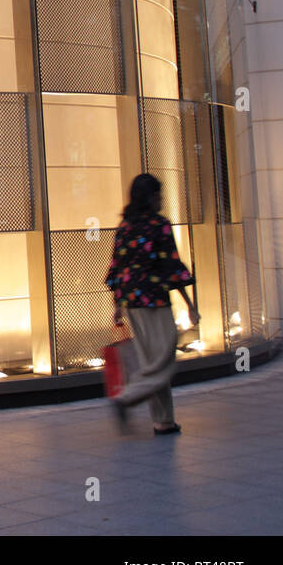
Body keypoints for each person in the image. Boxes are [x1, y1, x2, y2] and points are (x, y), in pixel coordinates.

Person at [104, 173, 199, 435]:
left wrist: (117, 307)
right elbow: (171, 267)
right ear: (149, 197)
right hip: (155, 301)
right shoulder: (160, 226)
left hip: (131, 303)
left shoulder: (124, 228)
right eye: (159, 194)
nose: (161, 200)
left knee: (151, 361)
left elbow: (117, 269)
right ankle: (126, 397)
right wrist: (190, 305)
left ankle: (163, 421)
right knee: (164, 361)